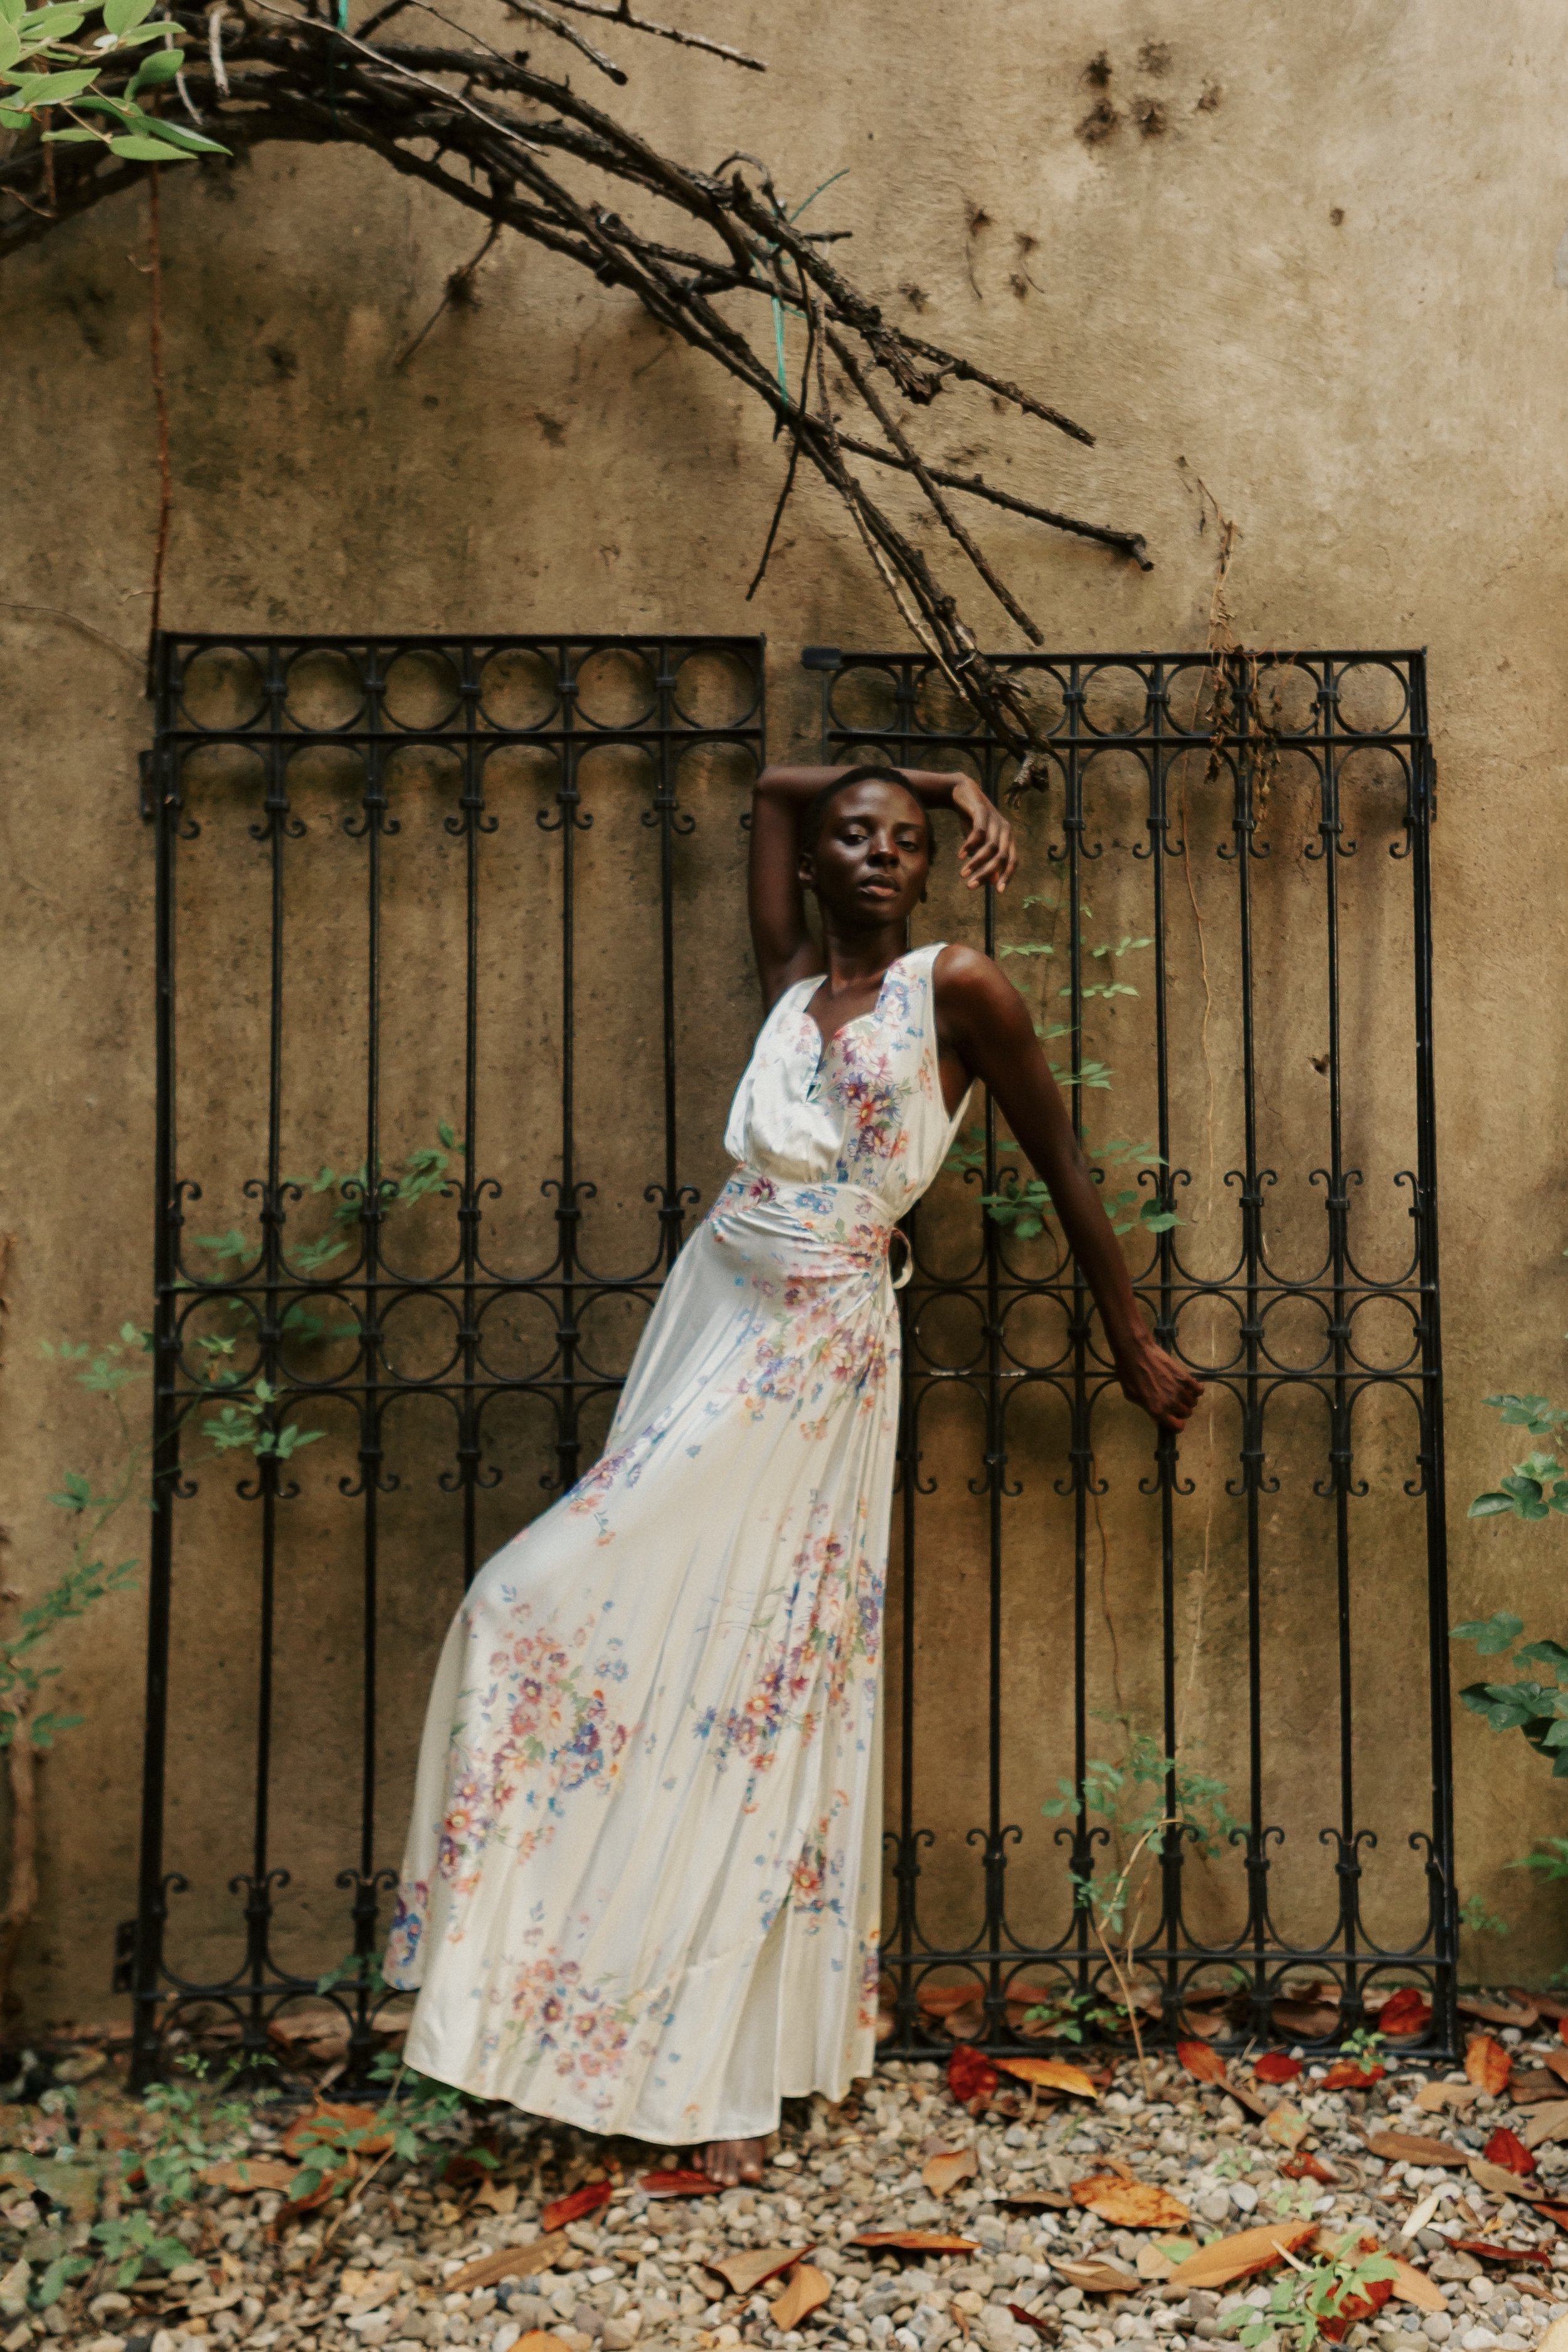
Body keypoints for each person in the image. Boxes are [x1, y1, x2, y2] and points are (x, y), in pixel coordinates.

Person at [384, 763, 1202, 2188]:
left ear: (929, 870)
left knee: (749, 1677)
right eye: (854, 837)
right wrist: (938, 774)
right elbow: (767, 788)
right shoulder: (783, 983)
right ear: (817, 864)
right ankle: (580, 2031)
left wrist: (1127, 1333)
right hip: (707, 1316)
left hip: (818, 1350)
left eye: (904, 840)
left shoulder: (959, 991)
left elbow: (1062, 1163)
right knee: (579, 1627)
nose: (878, 854)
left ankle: (729, 2079)